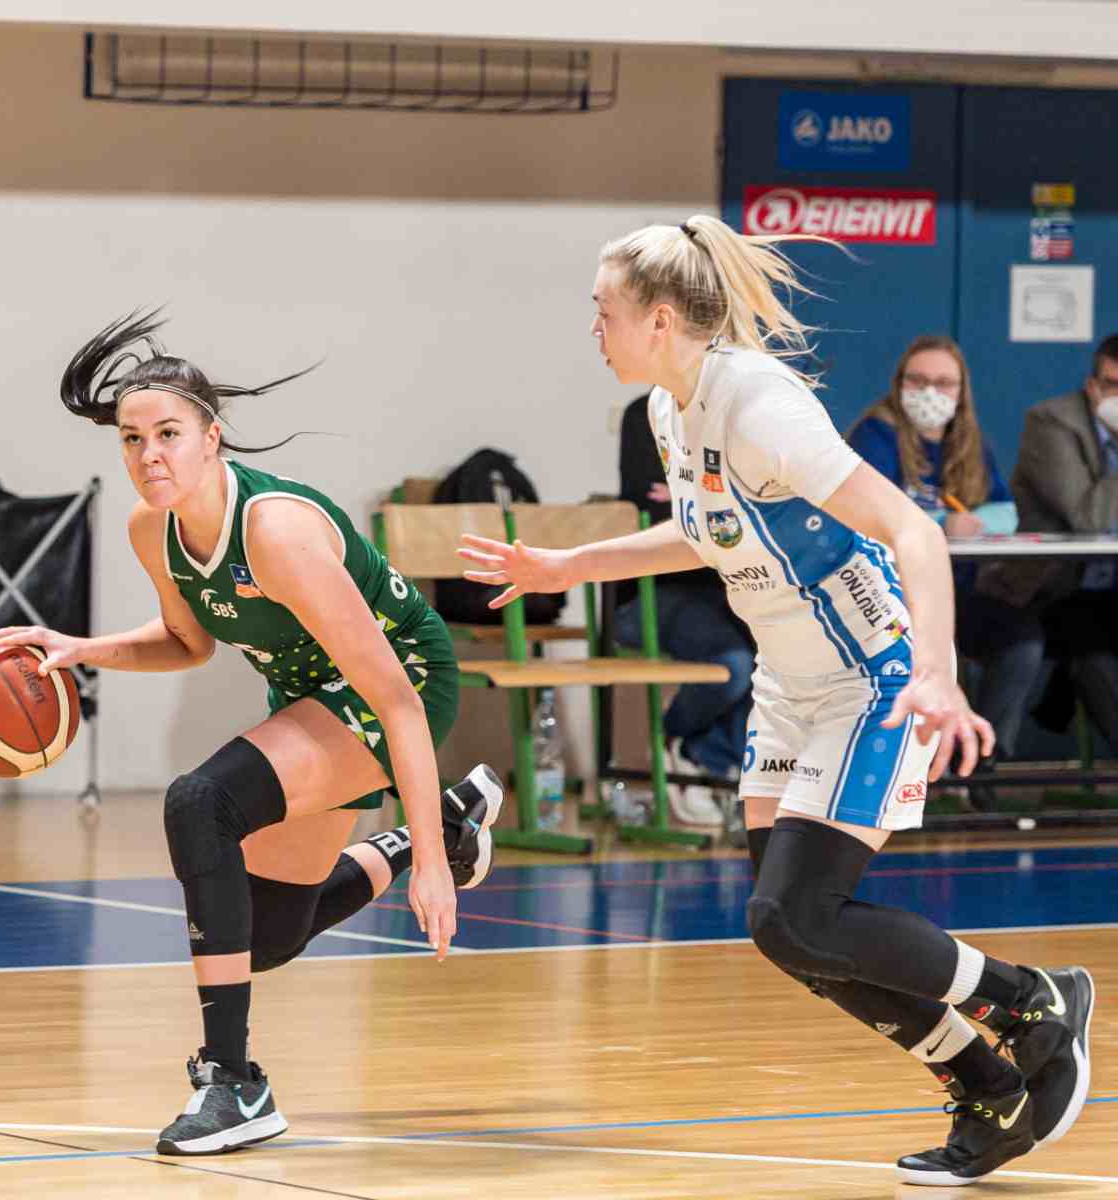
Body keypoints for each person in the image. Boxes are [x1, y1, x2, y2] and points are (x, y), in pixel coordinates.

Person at [461, 215, 1094, 1187]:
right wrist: (569, 564)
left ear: (660, 319)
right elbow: (705, 531)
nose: (593, 328)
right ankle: (989, 1086)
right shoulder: (672, 409)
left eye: (604, 311)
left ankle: (1028, 1000)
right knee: (792, 936)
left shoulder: (760, 405)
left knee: (798, 915)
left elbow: (913, 531)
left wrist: (936, 670)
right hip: (790, 687)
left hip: (872, 679)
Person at [0, 311, 502, 1156]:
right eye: (132, 439)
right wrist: (78, 647)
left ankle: (234, 1082)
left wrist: (438, 877)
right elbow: (186, 643)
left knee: (201, 802)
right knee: (263, 939)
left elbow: (398, 704)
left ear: (211, 438)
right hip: (311, 693)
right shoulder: (153, 529)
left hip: (399, 682)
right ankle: (433, 827)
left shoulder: (276, 533)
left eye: (169, 434)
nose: (149, 455)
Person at [846, 336, 1043, 761]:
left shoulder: (969, 442)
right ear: (900, 383)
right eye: (917, 380)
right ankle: (916, 770)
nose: (929, 392)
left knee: (1021, 641)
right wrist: (941, 524)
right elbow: (866, 512)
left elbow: (1004, 514)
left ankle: (979, 763)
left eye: (943, 382)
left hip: (958, 593)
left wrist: (963, 523)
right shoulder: (876, 434)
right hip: (890, 599)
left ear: (961, 390)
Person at [615, 390, 753, 822]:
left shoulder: (740, 411)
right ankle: (680, 742)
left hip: (725, 589)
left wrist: (703, 499)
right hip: (650, 595)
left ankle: (710, 756)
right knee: (734, 664)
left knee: (778, 656)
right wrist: (723, 499)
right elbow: (656, 510)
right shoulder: (647, 412)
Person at [979, 333, 1118, 752]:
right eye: (1113, 385)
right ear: (1092, 386)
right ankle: (981, 767)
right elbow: (1088, 517)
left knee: (1097, 645)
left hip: (1108, 593)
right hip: (1048, 589)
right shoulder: (1052, 421)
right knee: (1093, 649)